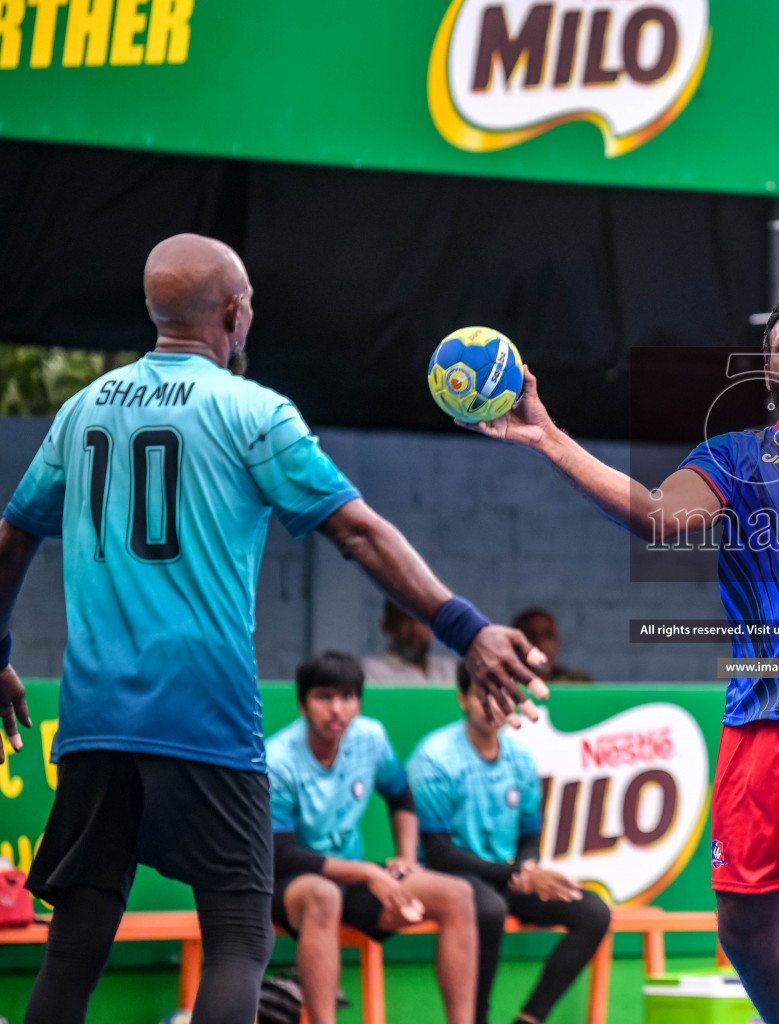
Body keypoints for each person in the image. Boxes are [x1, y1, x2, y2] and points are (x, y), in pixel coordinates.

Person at [0, 234, 546, 1024]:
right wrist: (465, 628)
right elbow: (356, 532)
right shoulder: (253, 411)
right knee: (237, 943)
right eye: (248, 300)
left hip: (94, 723)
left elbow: (13, 537)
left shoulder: (83, 410)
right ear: (233, 312)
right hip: (205, 718)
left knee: (77, 942)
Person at [460, 293, 779, 1024]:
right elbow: (657, 517)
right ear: (766, 369)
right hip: (759, 718)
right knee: (744, 932)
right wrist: (550, 439)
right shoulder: (734, 458)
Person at [268, 652, 480, 1024]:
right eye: (324, 697)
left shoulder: (370, 737)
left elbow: (400, 794)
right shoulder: (279, 761)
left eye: (348, 697)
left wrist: (405, 857)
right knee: (323, 894)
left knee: (458, 895)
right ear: (302, 704)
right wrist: (368, 873)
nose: (337, 709)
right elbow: (282, 855)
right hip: (289, 885)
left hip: (353, 880)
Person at [409, 663, 612, 1024]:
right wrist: (519, 872)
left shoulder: (520, 757)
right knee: (488, 909)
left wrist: (527, 868)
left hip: (508, 876)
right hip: (452, 877)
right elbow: (440, 853)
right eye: (482, 695)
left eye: (502, 698)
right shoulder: (434, 758)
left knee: (593, 911)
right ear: (461, 698)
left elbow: (530, 835)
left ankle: (530, 1019)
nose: (493, 707)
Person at [362, 599, 460, 685]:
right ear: (387, 625)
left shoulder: (452, 670)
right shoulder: (372, 673)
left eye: (423, 618)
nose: (416, 628)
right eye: (405, 618)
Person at [511, 608, 593, 683]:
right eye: (530, 635)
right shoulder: (502, 683)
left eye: (548, 635)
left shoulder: (578, 683)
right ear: (513, 643)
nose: (540, 642)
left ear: (558, 642)